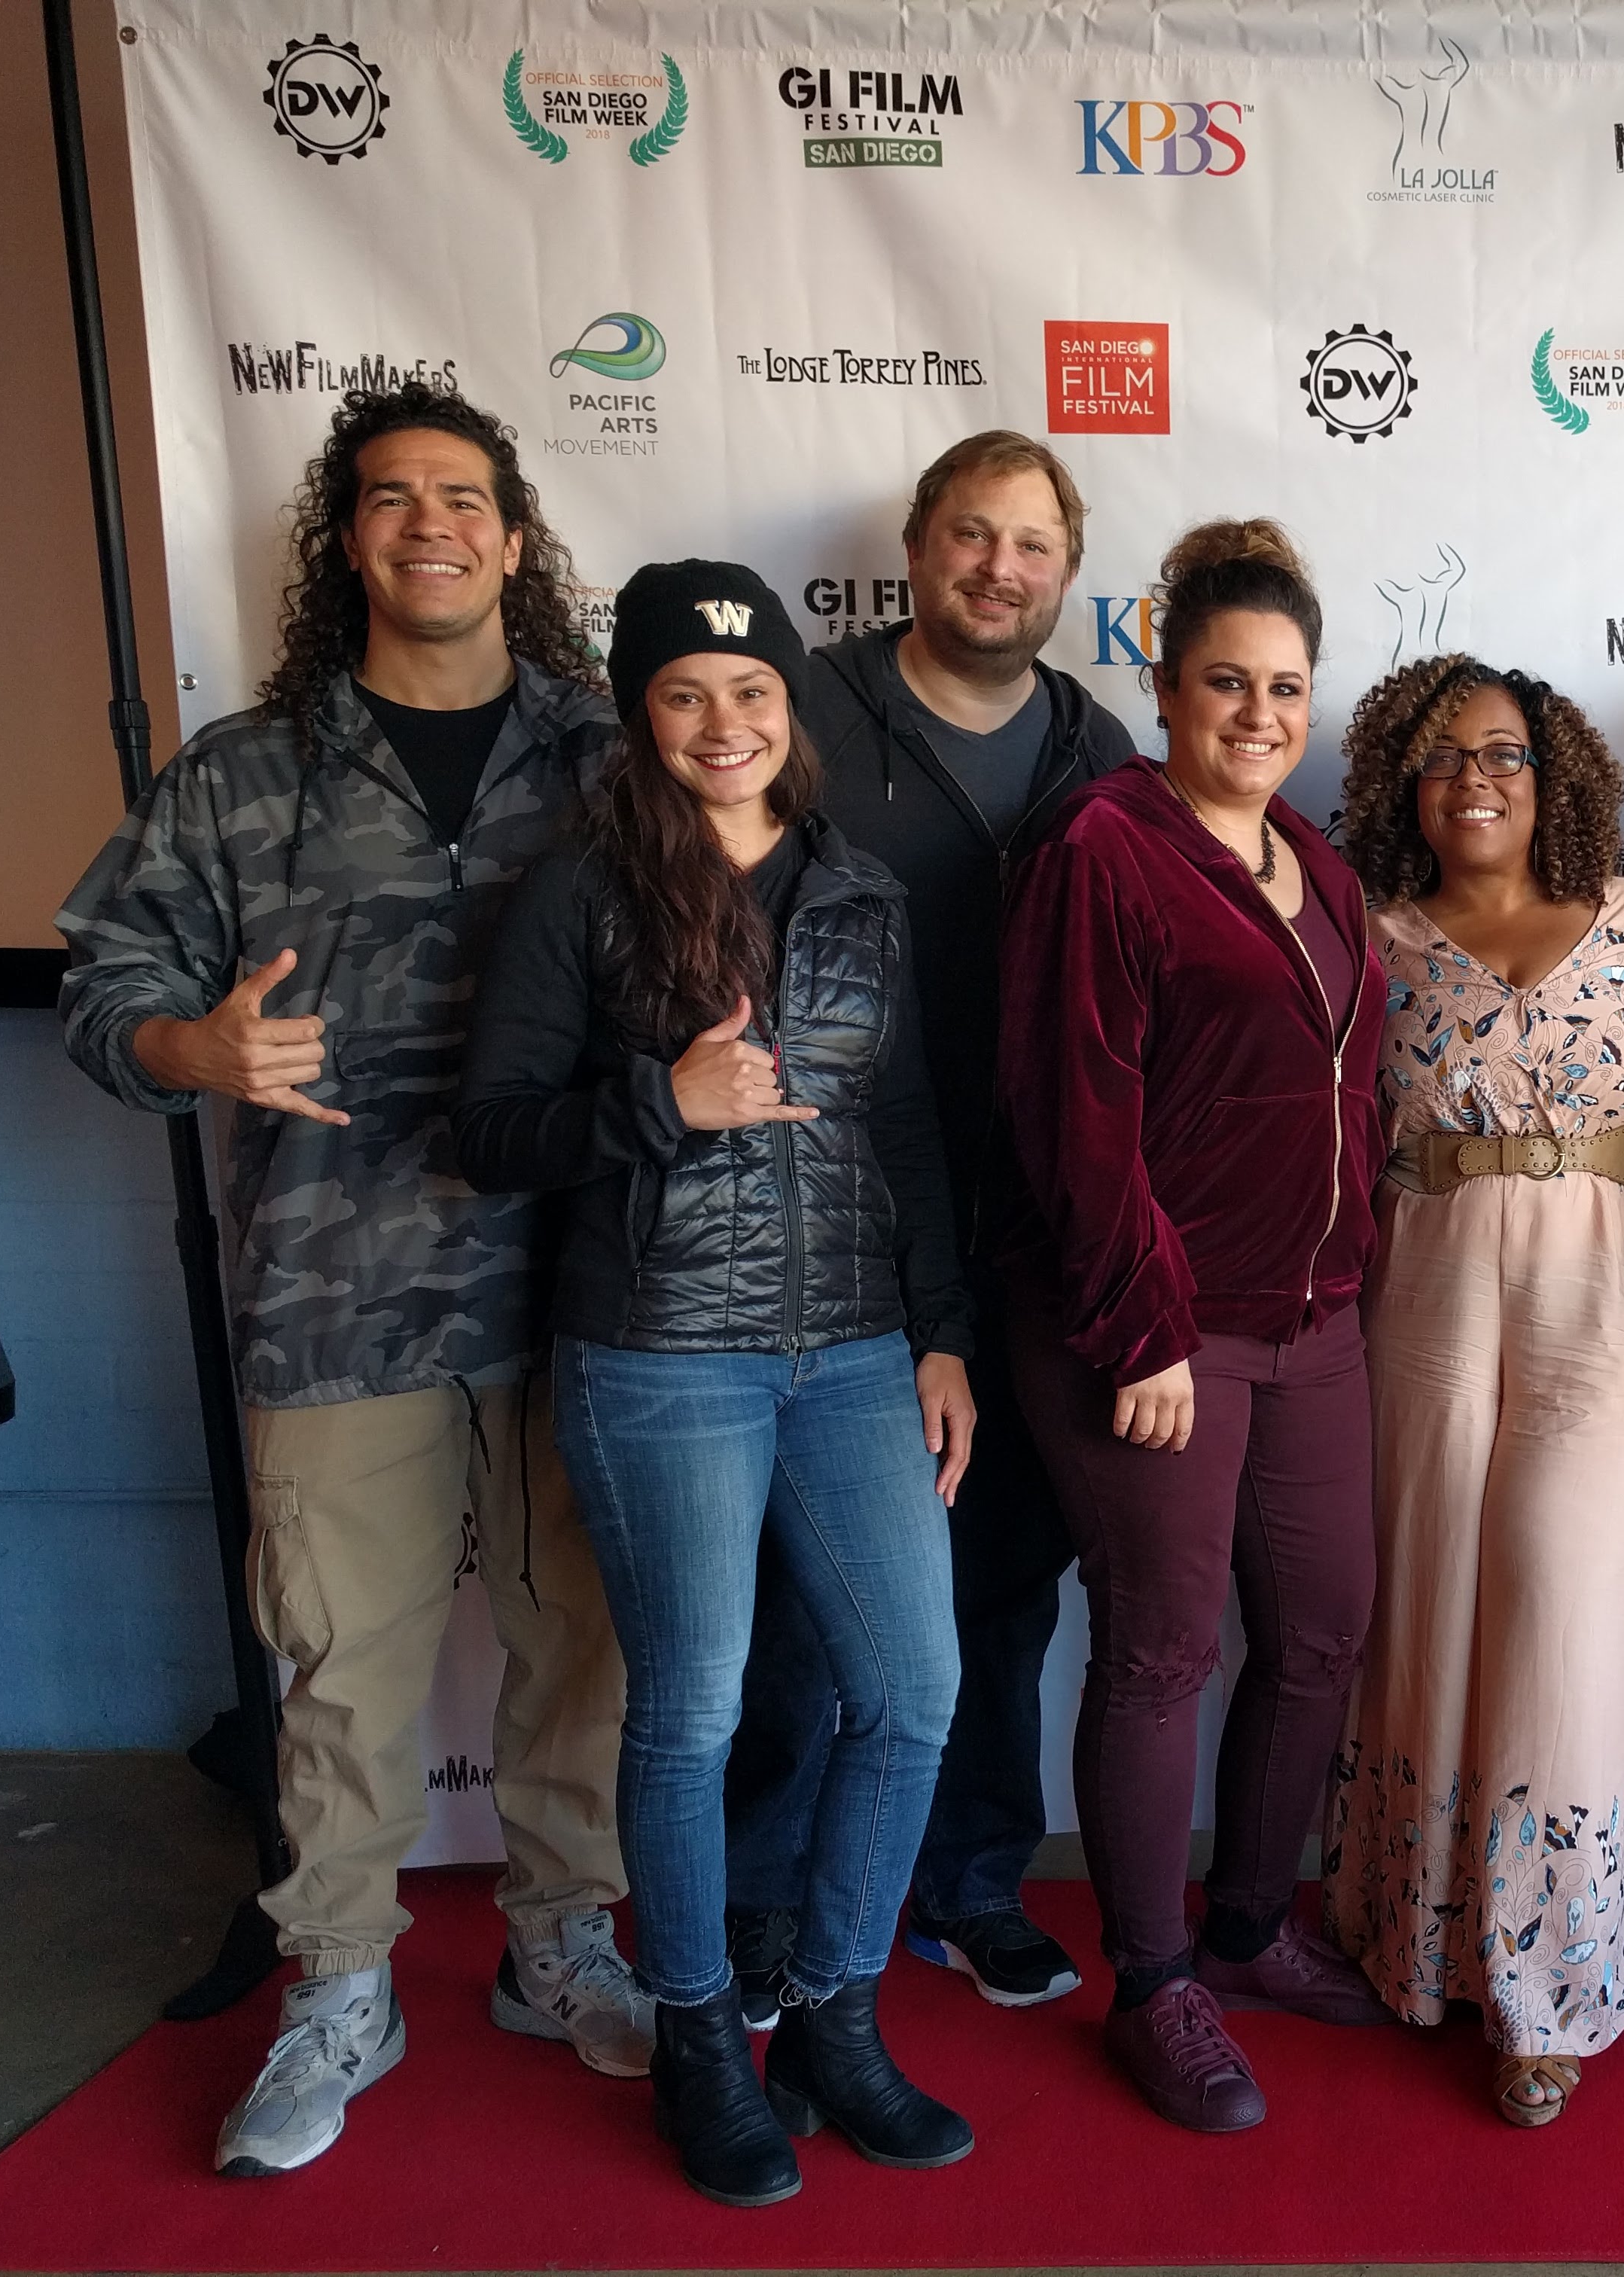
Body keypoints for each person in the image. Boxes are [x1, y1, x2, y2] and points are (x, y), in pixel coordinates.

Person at [56, 383, 640, 2178]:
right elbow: (102, 991)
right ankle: (338, 1983)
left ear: (515, 539)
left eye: (463, 498)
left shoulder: (615, 758)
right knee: (337, 1665)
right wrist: (191, 1050)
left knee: (588, 1644)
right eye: (391, 501)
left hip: (587, 1285)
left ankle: (563, 1942)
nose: (431, 526)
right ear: (349, 540)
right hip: (338, 1289)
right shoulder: (245, 769)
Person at [453, 563, 974, 2208]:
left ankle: (833, 2014)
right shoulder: (579, 894)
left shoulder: (863, 893)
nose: (724, 723)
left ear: (792, 713)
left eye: (752, 693)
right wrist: (662, 1099)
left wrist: (943, 1330)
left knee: (911, 1691)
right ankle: (698, 2039)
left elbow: (905, 1139)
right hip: (661, 1352)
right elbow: (491, 1134)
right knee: (687, 1713)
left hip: (854, 1354)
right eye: (685, 693)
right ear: (641, 714)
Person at [724, 431, 1141, 2022]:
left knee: (1005, 1582)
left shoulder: (1101, 753)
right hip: (818, 1227)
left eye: (1032, 545)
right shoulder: (809, 711)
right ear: (914, 546)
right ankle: (768, 1900)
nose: (999, 569)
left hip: (1030, 1234)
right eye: (972, 535)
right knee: (799, 1595)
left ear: (1065, 572)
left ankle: (972, 1884)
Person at [997, 520, 1391, 2133]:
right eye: (1225, 680)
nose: (1257, 709)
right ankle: (1152, 1982)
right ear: (1163, 685)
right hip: (1157, 1330)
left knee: (1322, 1634)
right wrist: (1142, 1331)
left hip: (1319, 1324)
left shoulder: (1325, 863)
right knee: (1161, 1646)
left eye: (1285, 686)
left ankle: (1245, 1928)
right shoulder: (1106, 844)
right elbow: (1074, 1117)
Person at [1323, 655, 1624, 2129]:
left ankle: (1552, 1989)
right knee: (1430, 1600)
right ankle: (1419, 1939)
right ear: (1400, 790)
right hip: (1424, 1292)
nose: (1473, 776)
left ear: (1554, 779)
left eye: (1502, 752)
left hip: (1597, 1301)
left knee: (1563, 1607)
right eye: (1440, 757)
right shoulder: (1373, 934)